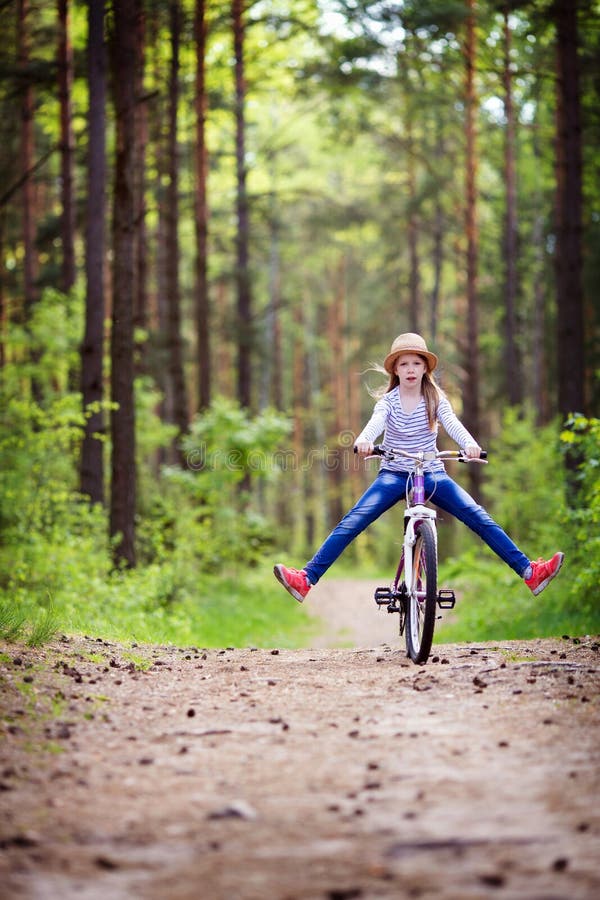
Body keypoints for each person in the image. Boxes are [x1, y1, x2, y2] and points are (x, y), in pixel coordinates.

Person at [274, 332, 564, 603]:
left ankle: (530, 573)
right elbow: (375, 423)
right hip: (394, 474)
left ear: (425, 368)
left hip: (431, 473)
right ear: (395, 370)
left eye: (416, 363)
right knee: (353, 520)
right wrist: (364, 440)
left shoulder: (436, 400)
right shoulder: (388, 402)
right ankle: (306, 579)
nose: (410, 369)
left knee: (478, 516)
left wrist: (470, 445)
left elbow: (453, 424)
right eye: (404, 364)